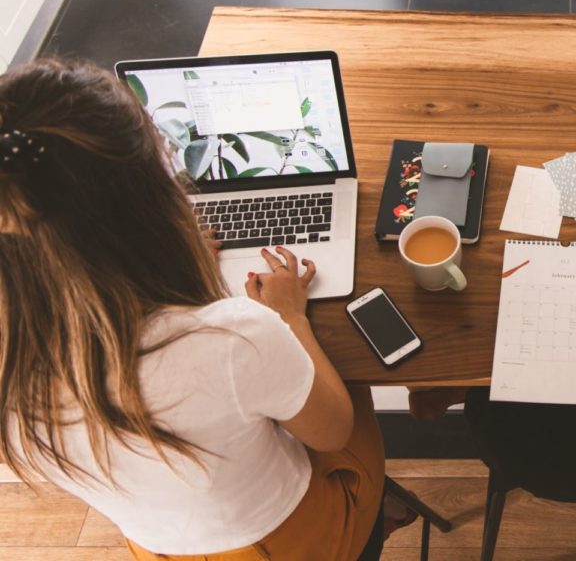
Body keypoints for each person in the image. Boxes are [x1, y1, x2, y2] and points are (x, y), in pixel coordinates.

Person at [0, 58, 411, 560]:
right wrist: (291, 318)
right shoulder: (236, 338)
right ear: (151, 201)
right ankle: (371, 515)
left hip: (163, 548)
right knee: (350, 389)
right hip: (291, 544)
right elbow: (332, 432)